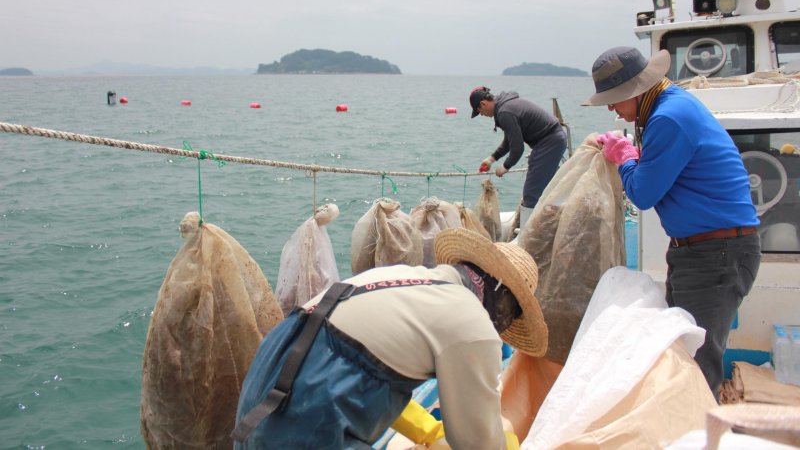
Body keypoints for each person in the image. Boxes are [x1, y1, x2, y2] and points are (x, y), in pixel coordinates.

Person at [233, 227, 547, 449]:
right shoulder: (471, 321)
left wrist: (430, 430)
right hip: (305, 425)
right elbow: (478, 445)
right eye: (511, 315)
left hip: (258, 406)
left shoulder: (405, 279)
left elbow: (360, 372)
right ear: (501, 297)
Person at [583, 46, 761, 400]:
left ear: (635, 90)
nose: (611, 108)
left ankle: (698, 433)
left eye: (615, 99)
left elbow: (644, 194)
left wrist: (626, 158)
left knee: (696, 362)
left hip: (717, 254)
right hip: (699, 251)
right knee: (680, 349)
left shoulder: (668, 118)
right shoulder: (668, 106)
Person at [470, 86, 567, 229]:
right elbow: (510, 140)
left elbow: (518, 148)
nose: (482, 115)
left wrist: (505, 166)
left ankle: (528, 235)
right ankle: (544, 226)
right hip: (552, 139)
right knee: (540, 188)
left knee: (531, 192)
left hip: (549, 141)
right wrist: (492, 158)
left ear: (483, 104)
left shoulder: (504, 112)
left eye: (480, 112)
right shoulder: (505, 106)